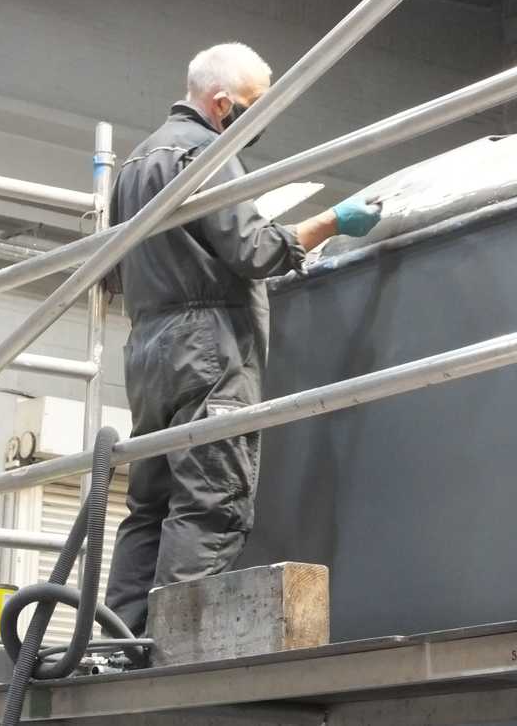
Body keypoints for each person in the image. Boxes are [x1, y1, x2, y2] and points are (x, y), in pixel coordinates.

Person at [105, 42, 382, 635]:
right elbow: (255, 249)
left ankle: (118, 644)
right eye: (253, 110)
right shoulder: (209, 152)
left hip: (148, 349)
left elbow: (111, 270)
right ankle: (169, 652)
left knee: (149, 506)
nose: (256, 125)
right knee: (211, 502)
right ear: (223, 102)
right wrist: (332, 221)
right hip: (209, 346)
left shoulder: (133, 163)